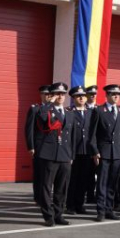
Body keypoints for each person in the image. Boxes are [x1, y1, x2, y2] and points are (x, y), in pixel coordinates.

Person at [32, 82, 76, 226]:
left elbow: (72, 137)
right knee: (46, 186)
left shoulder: (69, 113)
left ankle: (58, 214)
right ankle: (48, 216)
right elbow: (42, 119)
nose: (61, 97)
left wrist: (71, 155)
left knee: (62, 187)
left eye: (63, 94)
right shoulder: (45, 110)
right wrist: (48, 103)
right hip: (49, 154)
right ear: (51, 95)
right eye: (58, 94)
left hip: (65, 155)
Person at [89, 84, 120, 222]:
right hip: (103, 152)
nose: (116, 96)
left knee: (113, 182)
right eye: (113, 94)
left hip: (117, 153)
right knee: (102, 183)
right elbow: (92, 134)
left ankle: (109, 209)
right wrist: (95, 151)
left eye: (118, 94)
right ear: (107, 95)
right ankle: (100, 211)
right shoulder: (99, 110)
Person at [66, 86, 95, 215]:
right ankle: (70, 205)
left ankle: (80, 204)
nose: (82, 98)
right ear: (73, 98)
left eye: (83, 95)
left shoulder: (91, 112)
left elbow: (94, 133)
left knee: (84, 179)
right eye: (78, 96)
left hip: (87, 151)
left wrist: (94, 151)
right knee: (72, 180)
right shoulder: (69, 112)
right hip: (73, 151)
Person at [25, 84, 52, 206]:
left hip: (53, 146)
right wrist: (31, 146)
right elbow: (29, 129)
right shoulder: (35, 108)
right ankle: (38, 197)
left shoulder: (56, 109)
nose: (47, 96)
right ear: (40, 95)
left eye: (49, 94)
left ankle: (47, 196)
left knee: (50, 173)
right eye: (45, 94)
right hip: (39, 145)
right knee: (39, 173)